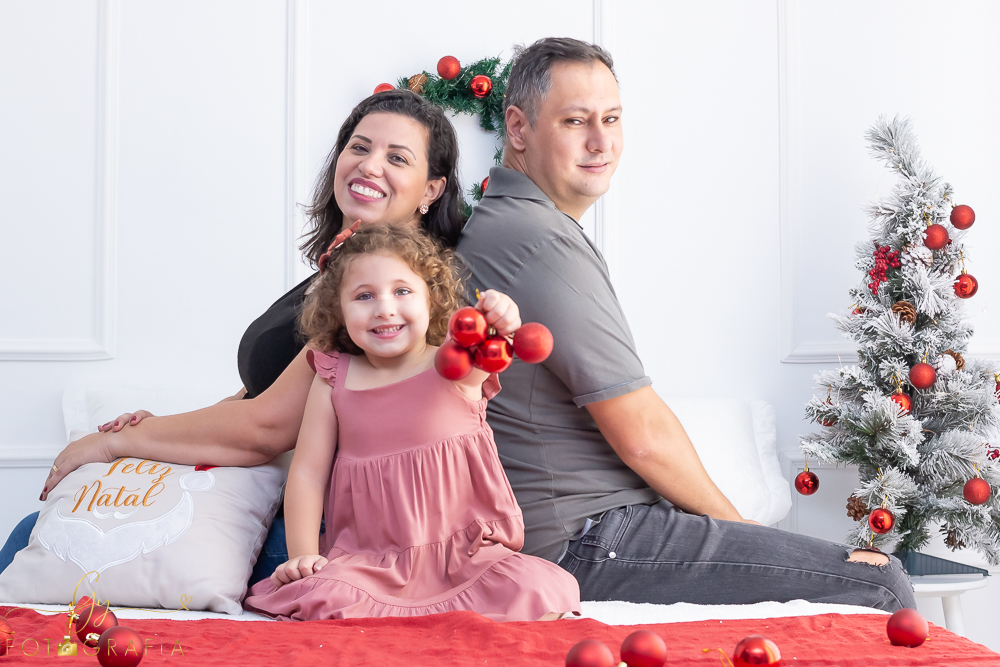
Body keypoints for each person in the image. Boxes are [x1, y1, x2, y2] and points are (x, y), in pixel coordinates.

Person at [454, 37, 916, 611]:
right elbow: (643, 436)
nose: (601, 141)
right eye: (576, 121)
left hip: (596, 528)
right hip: (588, 539)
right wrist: (749, 539)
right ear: (518, 129)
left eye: (612, 118)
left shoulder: (510, 224)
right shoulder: (537, 240)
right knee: (879, 582)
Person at [0, 88, 467, 580]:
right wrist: (164, 426)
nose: (370, 166)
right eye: (359, 147)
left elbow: (266, 429)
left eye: (397, 157)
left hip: (333, 530)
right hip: (276, 496)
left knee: (44, 539)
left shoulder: (393, 297)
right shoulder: (342, 272)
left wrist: (118, 442)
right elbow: (257, 393)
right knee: (40, 534)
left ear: (431, 190)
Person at [243, 223, 579, 621]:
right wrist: (303, 556)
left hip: (463, 559)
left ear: (432, 299)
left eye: (402, 291)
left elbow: (489, 354)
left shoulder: (453, 362)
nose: (384, 308)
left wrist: (501, 321)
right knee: (327, 597)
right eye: (364, 296)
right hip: (371, 564)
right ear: (338, 311)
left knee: (537, 587)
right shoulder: (334, 376)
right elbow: (308, 474)